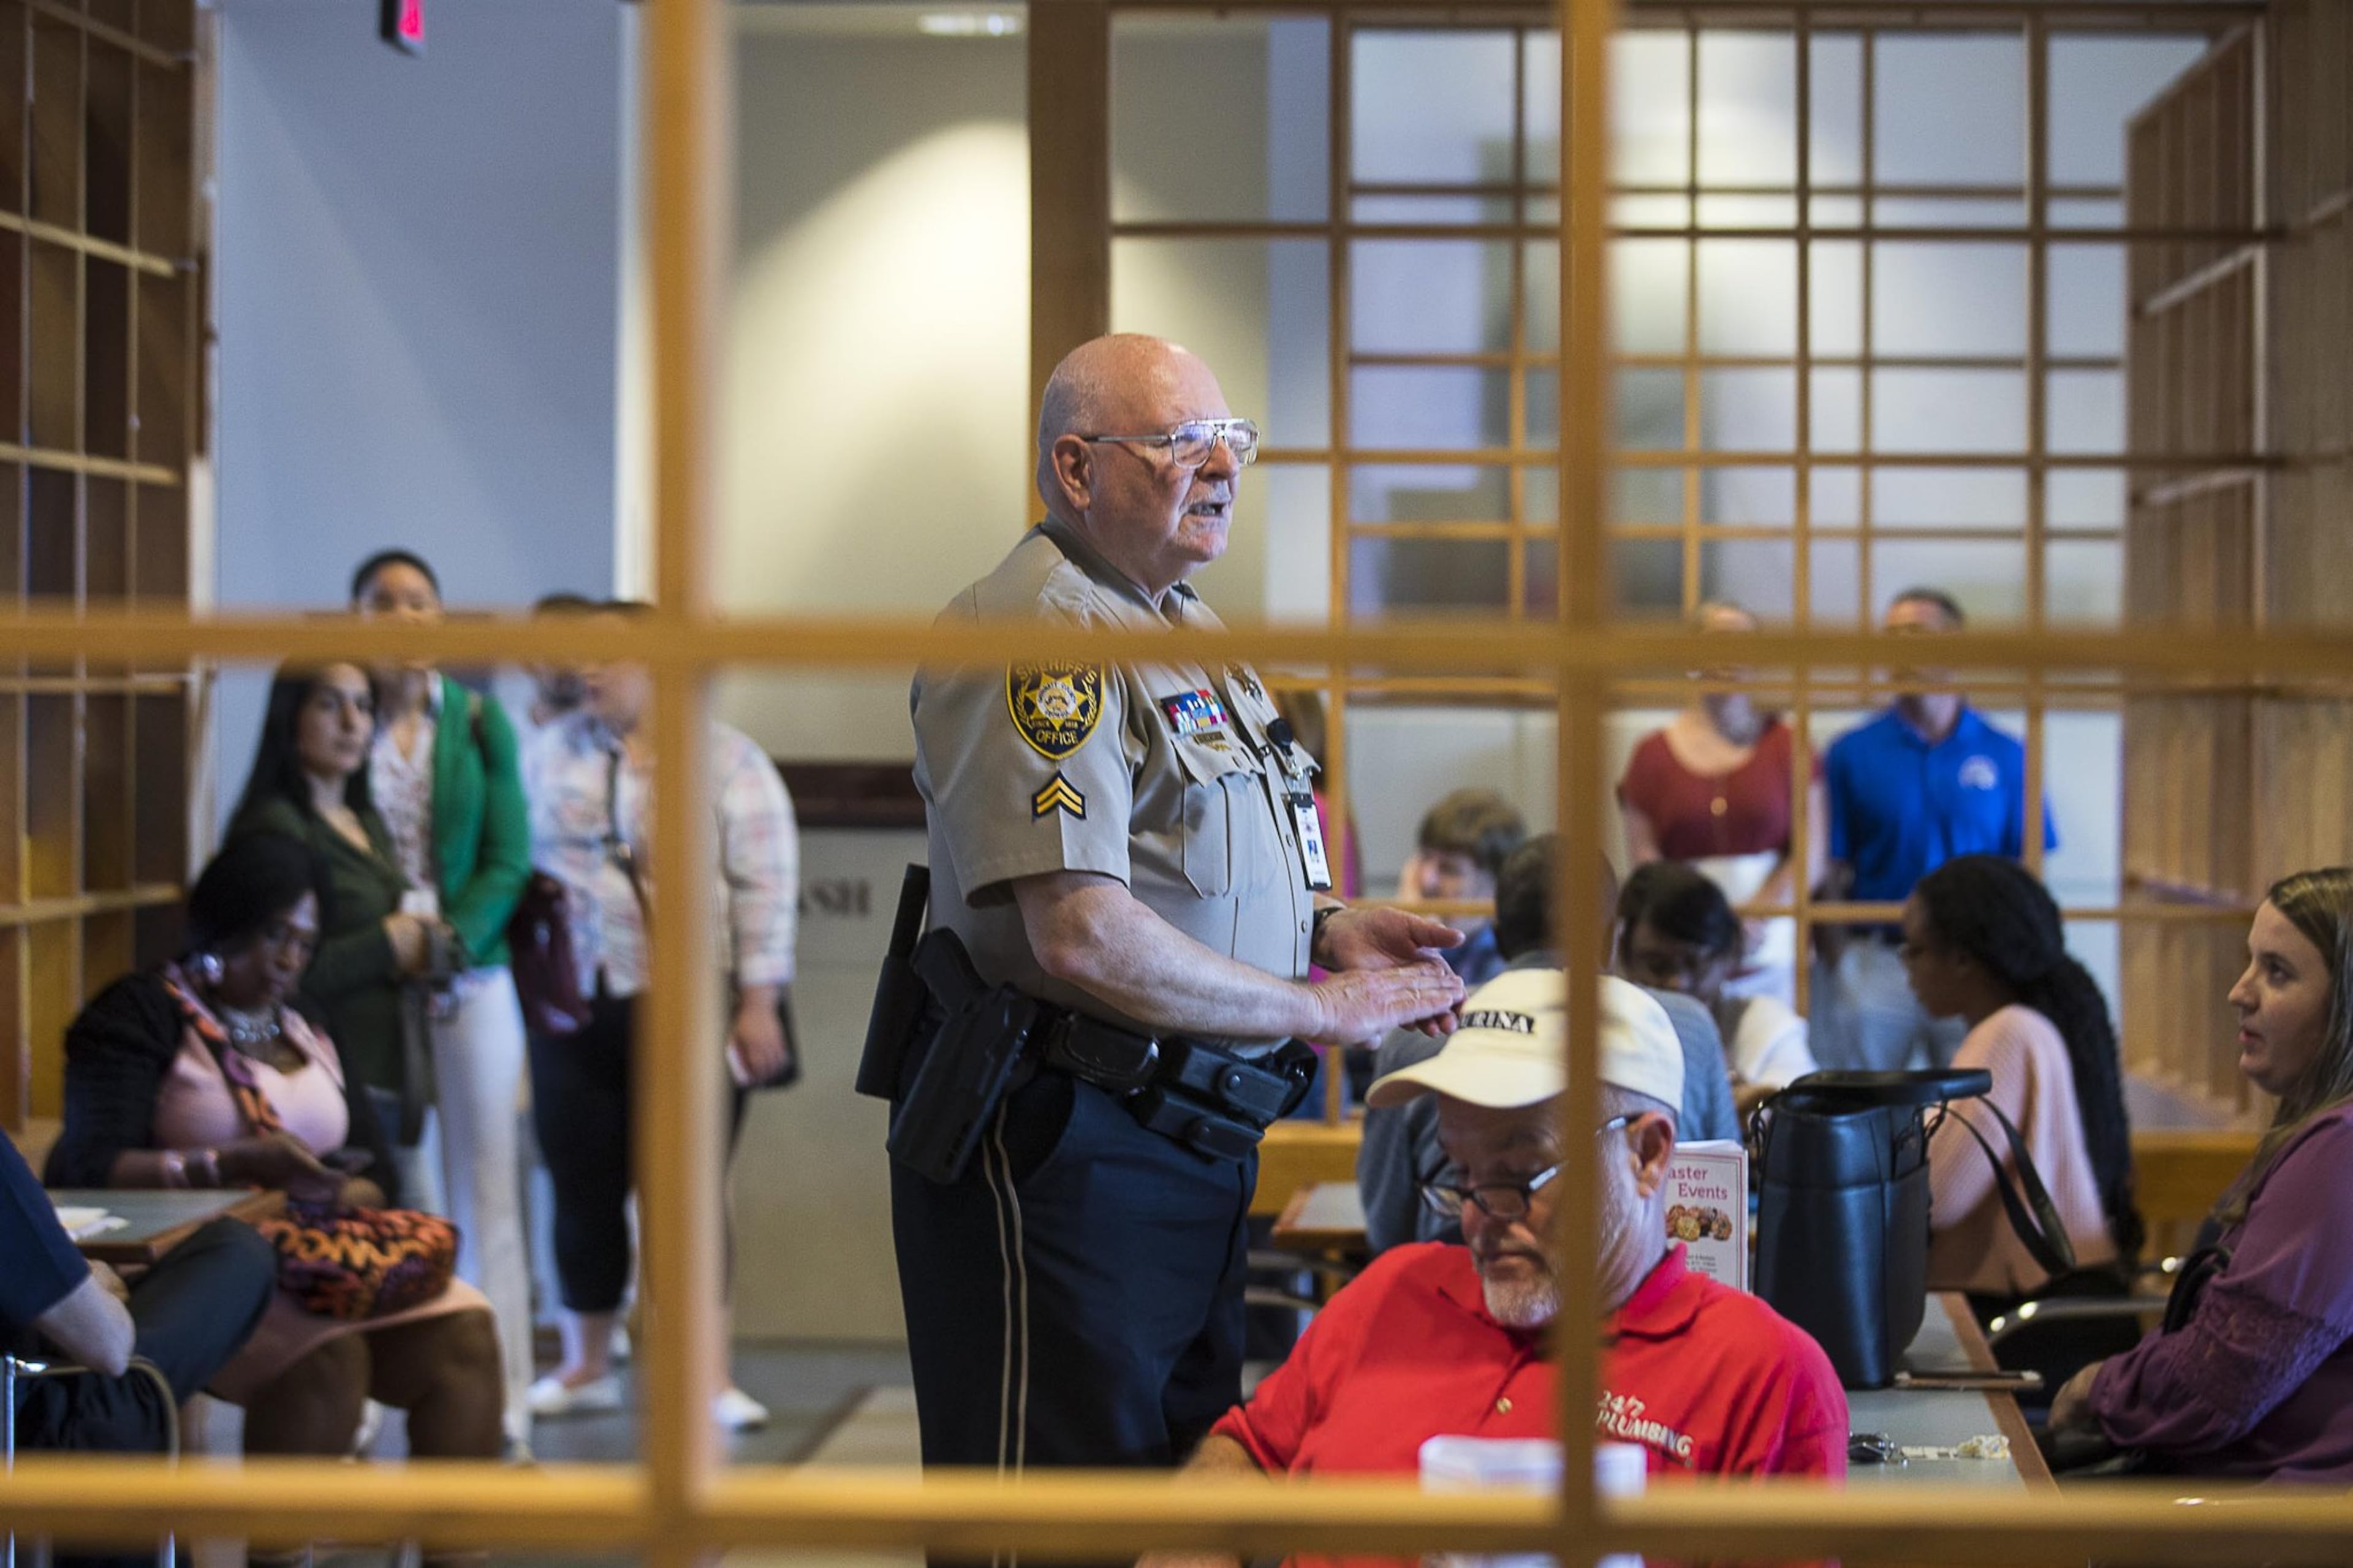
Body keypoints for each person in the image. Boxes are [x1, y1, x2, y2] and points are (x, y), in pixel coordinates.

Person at [892, 332, 1466, 1482]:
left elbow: (1217, 854)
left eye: (1233, 440)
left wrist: (1328, 921)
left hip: (1194, 1133)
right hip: (1069, 1137)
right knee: (1061, 1508)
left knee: (1175, 1492)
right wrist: (1316, 1005)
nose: (1222, 468)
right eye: (1179, 443)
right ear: (1076, 467)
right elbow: (1079, 927)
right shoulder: (1034, 632)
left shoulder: (1185, 626)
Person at [1148, 971, 1844, 1568]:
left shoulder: (1761, 1375)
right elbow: (1247, 1453)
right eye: (1461, 1175)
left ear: (1647, 1155)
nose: (1478, 1216)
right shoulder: (1393, 1292)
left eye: (1517, 1175)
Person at [43, 833, 502, 1466]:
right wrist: (229, 1165)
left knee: (468, 1339)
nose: (289, 960)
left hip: (319, 1259)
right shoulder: (138, 1012)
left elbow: (381, 1175)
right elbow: (85, 1168)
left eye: (305, 944)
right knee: (327, 1357)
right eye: (274, 935)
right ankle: (281, 1553)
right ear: (223, 923)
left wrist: (331, 1189)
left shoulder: (306, 1018)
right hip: (197, 1266)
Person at [520, 600, 799, 1433]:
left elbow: (767, 887)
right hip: (573, 1000)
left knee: (688, 1191)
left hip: (690, 1001)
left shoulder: (727, 759)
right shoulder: (551, 752)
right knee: (579, 1181)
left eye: (615, 656)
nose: (594, 670)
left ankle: (706, 1376)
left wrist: (759, 1003)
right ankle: (586, 1364)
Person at [2047, 868, 2353, 1481]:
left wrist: (2096, 1386)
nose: (2240, 992)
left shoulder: (2339, 1149)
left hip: (2262, 1519)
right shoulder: (2318, 1132)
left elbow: (2222, 1382)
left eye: (2278, 972)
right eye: (2251, 963)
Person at [350, 547, 537, 1448]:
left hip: (473, 975)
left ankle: (502, 1401)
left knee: (489, 1182)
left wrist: (450, 937)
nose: (402, 614)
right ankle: (388, 1409)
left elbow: (509, 856)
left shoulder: (477, 720)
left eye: (419, 600)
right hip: (374, 981)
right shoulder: (341, 714)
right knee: (395, 1188)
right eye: (382, 600)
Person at [1359, 835, 1740, 1253]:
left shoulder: (1421, 1030)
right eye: (1464, 1171)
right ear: (1612, 938)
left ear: (1500, 936)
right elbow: (1726, 1203)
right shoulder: (1686, 1026)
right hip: (1655, 1288)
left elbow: (1387, 1227)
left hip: (1456, 1289)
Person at [1817, 587, 2054, 1072]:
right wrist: (1842, 961)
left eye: (1918, 635)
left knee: (1978, 1113)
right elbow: (1829, 869)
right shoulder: (1851, 752)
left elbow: (2026, 868)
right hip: (1880, 963)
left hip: (1976, 963)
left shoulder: (2007, 754)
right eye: (1893, 637)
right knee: (1870, 1121)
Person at [227, 661, 449, 1167]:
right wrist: (386, 945)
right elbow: (264, 974)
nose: (352, 722)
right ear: (291, 718)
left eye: (364, 706)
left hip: (392, 1071)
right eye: (330, 704)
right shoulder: (277, 827)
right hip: (328, 1081)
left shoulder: (363, 818)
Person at [1899, 856, 2138, 1298]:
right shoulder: (2027, 1025)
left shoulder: (2008, 1033)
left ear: (1961, 959)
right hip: (2051, 1301)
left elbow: (1934, 1196)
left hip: (2028, 1316)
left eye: (1913, 949)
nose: (1904, 965)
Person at [1617, 600, 1823, 1008]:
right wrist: (1700, 921)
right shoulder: (1651, 753)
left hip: (1771, 936)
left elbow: (1811, 854)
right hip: (1681, 944)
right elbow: (1645, 860)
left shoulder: (1790, 745)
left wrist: (1758, 914)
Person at [1615, 860, 1817, 1119]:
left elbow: (1802, 1115)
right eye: (1657, 965)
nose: (1677, 982)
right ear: (1623, 954)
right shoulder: (1605, 1031)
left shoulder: (1763, 1025)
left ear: (1728, 956)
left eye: (1695, 964)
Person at [1396, 788, 1526, 988]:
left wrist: (1420, 949)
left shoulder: (1503, 966)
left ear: (1496, 886)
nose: (1426, 879)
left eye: (1449, 869)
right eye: (1424, 858)